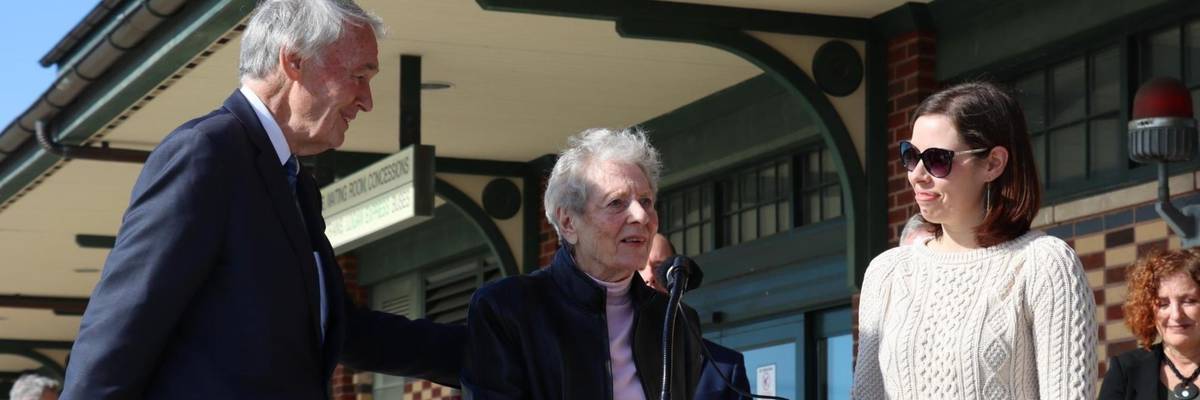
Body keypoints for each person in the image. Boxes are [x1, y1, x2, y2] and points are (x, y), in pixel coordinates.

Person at [61, 1, 462, 398]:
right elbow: (123, 325)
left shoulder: (294, 183)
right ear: (294, 61)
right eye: (359, 75)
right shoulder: (207, 152)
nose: (366, 99)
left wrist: (495, 347)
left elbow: (342, 328)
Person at [852, 82, 1097, 399]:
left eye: (937, 159)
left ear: (993, 164)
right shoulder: (887, 273)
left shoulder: (1044, 264)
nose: (917, 174)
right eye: (910, 156)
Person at [462, 128, 704, 400]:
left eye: (646, 201)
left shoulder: (676, 321)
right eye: (616, 203)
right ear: (568, 223)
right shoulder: (507, 309)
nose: (641, 216)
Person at [639, 233, 751, 400]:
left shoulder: (725, 368)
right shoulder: (608, 357)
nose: (649, 276)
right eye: (640, 267)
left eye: (659, 266)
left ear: (676, 277)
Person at [1099, 249, 1200, 400]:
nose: (1176, 315)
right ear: (1149, 310)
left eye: (1189, 301)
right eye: (1163, 304)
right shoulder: (1126, 371)